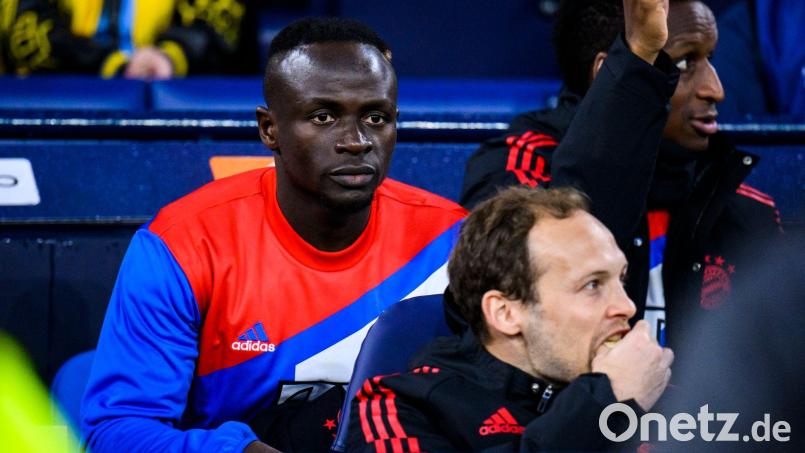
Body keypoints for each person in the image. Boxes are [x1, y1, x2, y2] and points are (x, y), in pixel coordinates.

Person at [80, 18, 466, 453]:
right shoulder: (182, 245)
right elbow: (116, 433)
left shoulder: (453, 242)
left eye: (376, 117)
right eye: (323, 117)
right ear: (269, 129)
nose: (356, 141)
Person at [460, 0, 782, 348]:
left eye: (710, 59)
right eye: (685, 63)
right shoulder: (516, 170)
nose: (714, 89)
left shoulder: (749, 212)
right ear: (613, 72)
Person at [347, 186, 675, 452]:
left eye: (622, 279)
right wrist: (606, 404)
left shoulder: (659, 393)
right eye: (592, 285)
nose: (627, 306)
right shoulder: (401, 408)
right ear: (505, 313)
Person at [0, 0, 255, 78]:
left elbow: (215, 24)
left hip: (165, 91)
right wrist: (112, 64)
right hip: (56, 94)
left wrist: (170, 56)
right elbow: (27, 37)